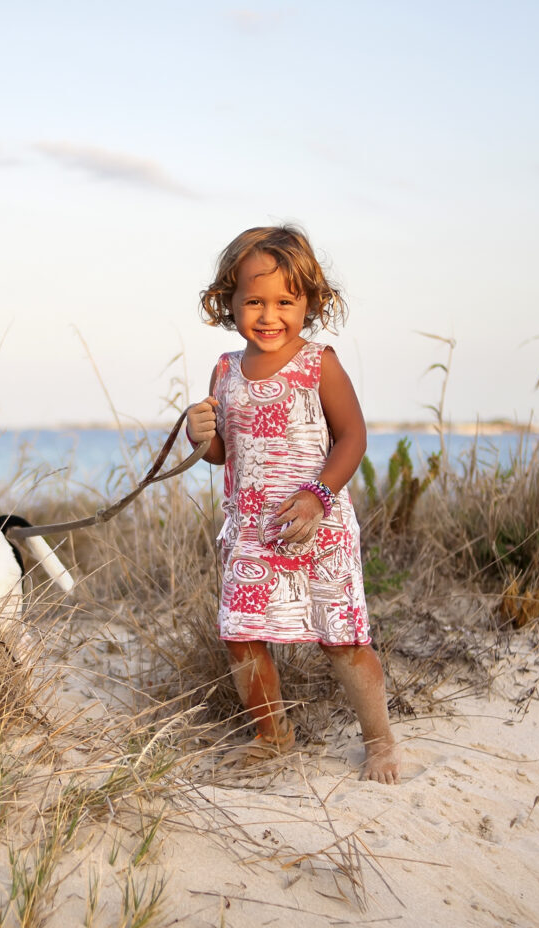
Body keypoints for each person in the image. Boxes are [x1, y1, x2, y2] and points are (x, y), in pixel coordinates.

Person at [186, 225, 400, 784]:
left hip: (317, 525)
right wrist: (200, 435)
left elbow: (352, 437)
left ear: (310, 302)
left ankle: (379, 741)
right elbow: (221, 454)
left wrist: (317, 494)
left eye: (286, 301)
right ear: (227, 302)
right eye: (253, 301)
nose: (269, 314)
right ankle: (272, 733)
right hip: (252, 530)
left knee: (342, 638)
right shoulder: (224, 371)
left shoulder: (318, 363)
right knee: (241, 632)